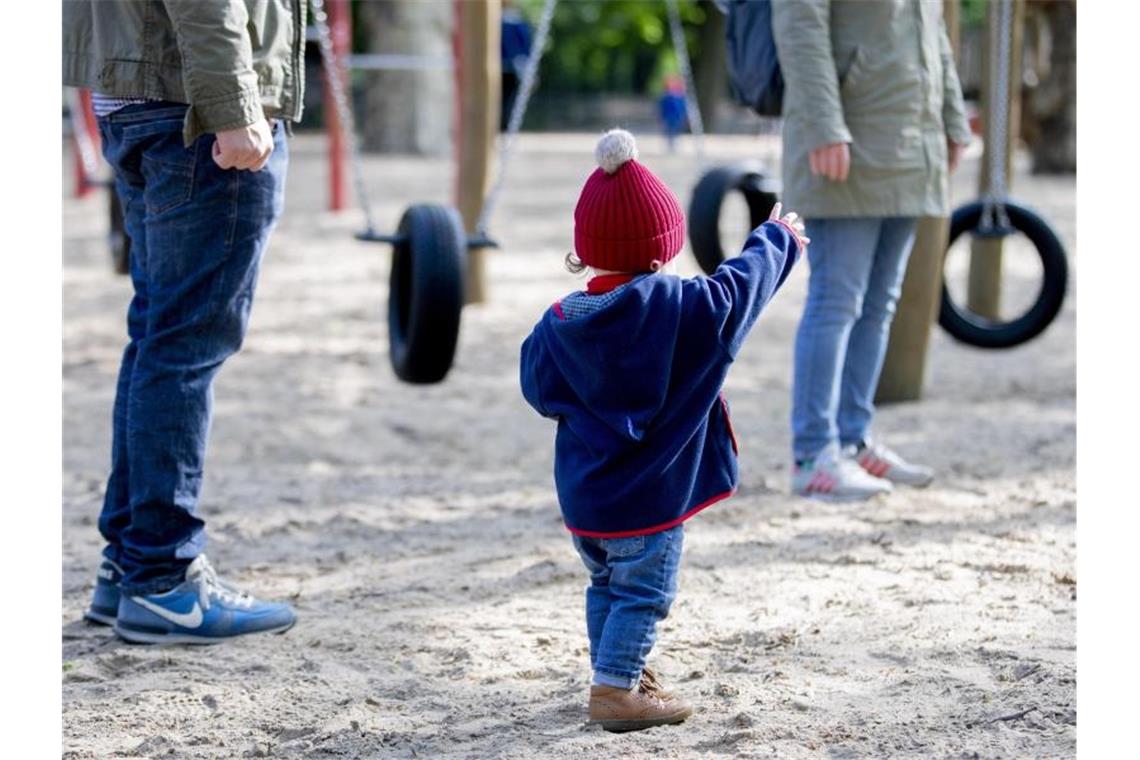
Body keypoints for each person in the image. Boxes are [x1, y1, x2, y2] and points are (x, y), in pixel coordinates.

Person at [520, 130, 807, 731]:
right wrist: (777, 239)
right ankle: (617, 692)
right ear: (661, 253)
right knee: (645, 596)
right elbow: (741, 288)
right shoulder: (684, 311)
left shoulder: (555, 326)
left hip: (586, 501)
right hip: (649, 505)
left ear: (586, 251)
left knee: (606, 586)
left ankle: (619, 674)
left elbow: (539, 392)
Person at [63, 0, 307, 643]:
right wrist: (235, 108)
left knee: (158, 338)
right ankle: (161, 575)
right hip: (193, 110)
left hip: (139, 97)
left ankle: (129, 562)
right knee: (182, 347)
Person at [771, 0, 972, 500]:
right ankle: (813, 454)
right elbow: (799, 24)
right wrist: (823, 125)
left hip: (910, 144)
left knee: (880, 304)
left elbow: (935, 34)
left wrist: (951, 118)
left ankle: (852, 439)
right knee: (837, 301)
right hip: (849, 139)